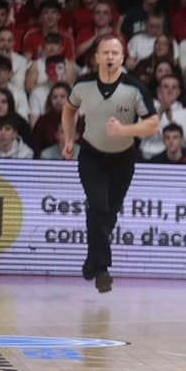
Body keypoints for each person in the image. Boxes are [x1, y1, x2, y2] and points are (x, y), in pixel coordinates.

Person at [62, 35, 159, 292]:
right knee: (98, 206)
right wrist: (69, 138)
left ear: (122, 58)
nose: (110, 57)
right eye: (105, 52)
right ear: (96, 57)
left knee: (109, 214)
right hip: (91, 155)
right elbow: (69, 109)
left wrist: (125, 131)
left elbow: (152, 123)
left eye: (115, 53)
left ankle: (92, 261)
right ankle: (102, 269)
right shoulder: (83, 85)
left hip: (123, 159)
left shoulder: (134, 88)